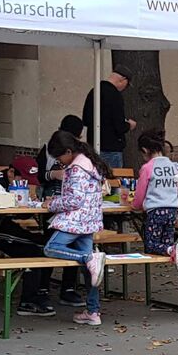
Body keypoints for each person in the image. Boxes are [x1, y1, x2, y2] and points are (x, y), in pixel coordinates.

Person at [41, 130, 107, 326]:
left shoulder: (77, 168)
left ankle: (88, 258)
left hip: (75, 220)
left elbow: (75, 199)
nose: (61, 162)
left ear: (68, 151)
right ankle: (93, 312)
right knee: (91, 271)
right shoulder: (91, 162)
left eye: (60, 158)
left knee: (51, 248)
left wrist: (52, 204)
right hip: (89, 220)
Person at [133, 129, 178, 257]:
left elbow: (140, 193)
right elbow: (176, 187)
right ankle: (174, 249)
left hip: (155, 210)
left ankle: (173, 250)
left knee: (150, 245)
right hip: (172, 210)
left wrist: (136, 206)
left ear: (144, 150)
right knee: (166, 243)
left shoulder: (148, 167)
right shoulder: (172, 166)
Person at [85, 68, 135, 169]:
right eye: (127, 84)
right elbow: (119, 125)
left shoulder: (94, 91)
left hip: (93, 145)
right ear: (123, 80)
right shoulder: (115, 95)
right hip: (111, 149)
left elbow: (86, 119)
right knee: (113, 181)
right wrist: (129, 125)